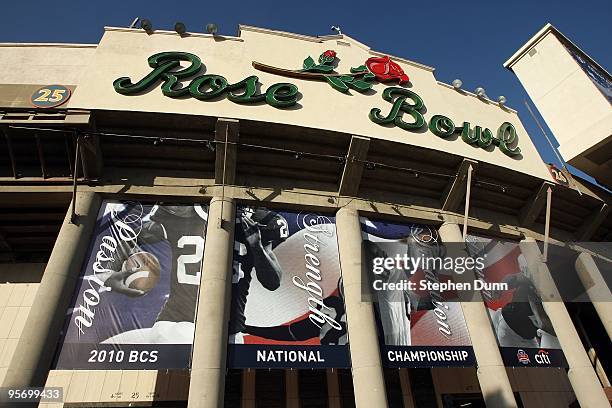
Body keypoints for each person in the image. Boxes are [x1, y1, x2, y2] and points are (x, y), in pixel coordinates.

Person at [100, 203, 208, 344]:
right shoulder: (178, 213)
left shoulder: (180, 214)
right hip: (176, 318)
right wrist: (109, 272)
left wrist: (110, 272)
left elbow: (133, 237)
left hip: (192, 321)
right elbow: (135, 236)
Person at [228, 207, 288, 343]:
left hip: (232, 325)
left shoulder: (258, 220)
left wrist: (256, 245)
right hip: (187, 313)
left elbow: (273, 282)